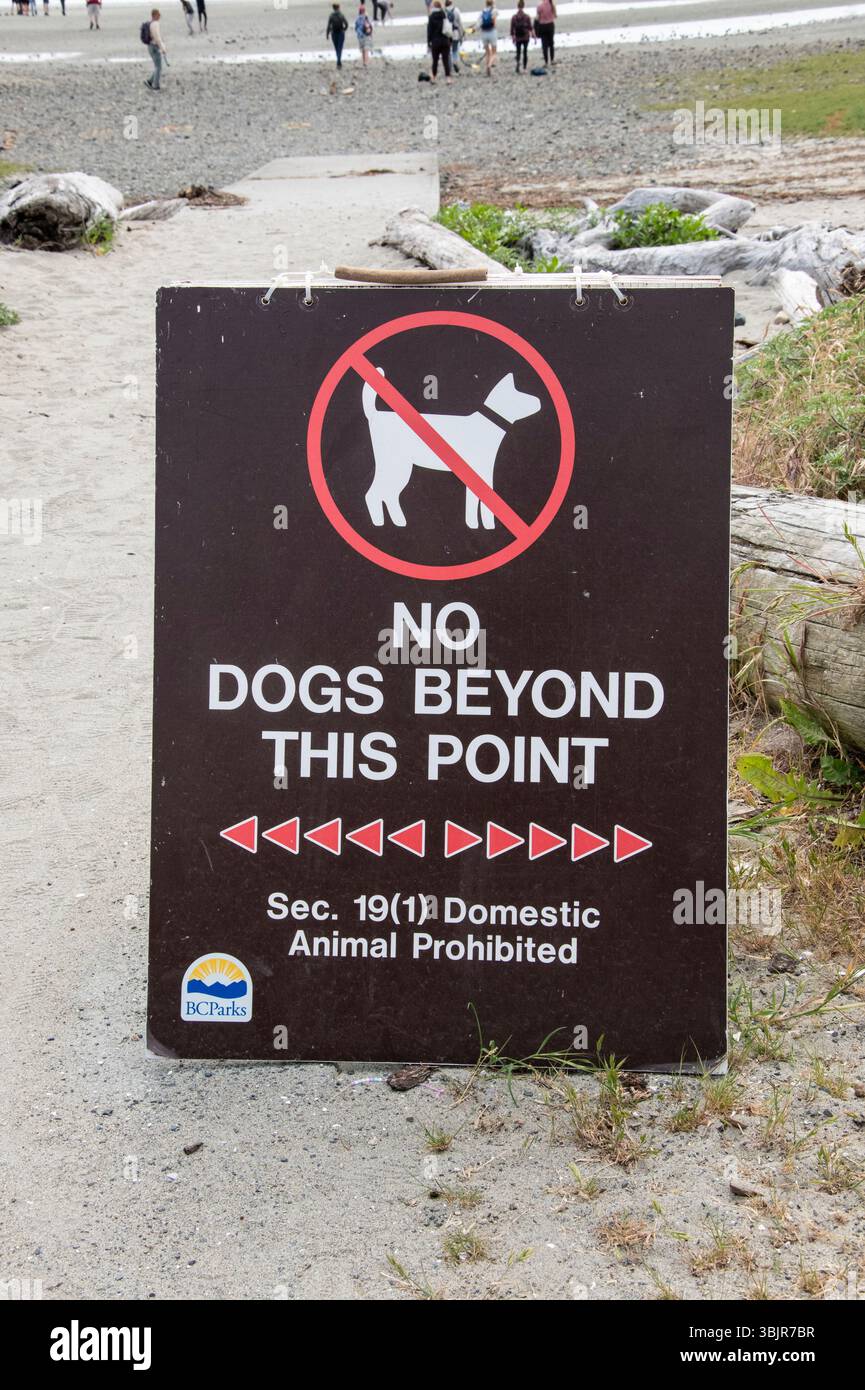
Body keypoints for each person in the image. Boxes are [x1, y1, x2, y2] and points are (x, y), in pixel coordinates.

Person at [426, 0, 452, 84]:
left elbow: (429, 31)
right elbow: (448, 27)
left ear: (433, 7)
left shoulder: (431, 17)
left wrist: (428, 42)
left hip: (435, 41)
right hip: (444, 40)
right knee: (445, 60)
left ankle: (433, 78)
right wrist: (450, 39)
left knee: (435, 61)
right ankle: (448, 78)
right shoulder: (444, 14)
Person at [144, 8, 168, 90]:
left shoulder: (151, 23)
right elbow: (157, 38)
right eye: (158, 14)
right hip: (154, 46)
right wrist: (162, 48)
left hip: (150, 46)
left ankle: (150, 81)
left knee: (157, 66)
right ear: (154, 15)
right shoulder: (155, 24)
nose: (159, 16)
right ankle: (156, 85)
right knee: (158, 67)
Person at [510, 0, 531, 72]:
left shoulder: (514, 17)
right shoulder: (527, 17)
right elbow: (530, 27)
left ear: (517, 6)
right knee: (525, 52)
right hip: (525, 36)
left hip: (518, 37)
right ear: (523, 6)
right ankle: (525, 68)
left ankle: (518, 62)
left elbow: (512, 29)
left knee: (518, 51)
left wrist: (513, 37)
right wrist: (534, 36)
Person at [477, 2, 497, 77]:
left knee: (487, 52)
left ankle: (487, 71)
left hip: (483, 33)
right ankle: (489, 65)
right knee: (494, 52)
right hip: (492, 32)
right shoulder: (494, 10)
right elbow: (494, 23)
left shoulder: (482, 12)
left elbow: (479, 23)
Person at [534, 0, 555, 67]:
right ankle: (552, 60)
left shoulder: (540, 6)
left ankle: (546, 62)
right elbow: (554, 15)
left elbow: (537, 17)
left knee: (544, 45)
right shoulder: (552, 5)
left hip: (543, 26)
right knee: (551, 43)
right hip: (550, 25)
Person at [326, 1, 347, 67]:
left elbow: (328, 25)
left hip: (334, 33)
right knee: (339, 47)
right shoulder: (341, 15)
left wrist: (327, 34)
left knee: (336, 47)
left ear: (333, 8)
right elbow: (346, 24)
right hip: (341, 33)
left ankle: (338, 60)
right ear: (338, 7)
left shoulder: (331, 16)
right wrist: (344, 29)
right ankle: (338, 61)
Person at [445, 0, 463, 74]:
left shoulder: (443, 11)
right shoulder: (456, 10)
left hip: (447, 33)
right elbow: (460, 23)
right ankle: (455, 62)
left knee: (448, 51)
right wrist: (461, 34)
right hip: (455, 32)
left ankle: (449, 68)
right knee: (455, 50)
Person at [355, 2, 373, 67]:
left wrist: (358, 34)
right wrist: (371, 34)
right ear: (364, 11)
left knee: (363, 50)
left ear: (359, 11)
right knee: (366, 50)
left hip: (360, 36)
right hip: (367, 35)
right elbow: (370, 26)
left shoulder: (357, 19)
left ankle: (363, 62)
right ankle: (366, 63)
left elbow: (356, 28)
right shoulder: (367, 17)